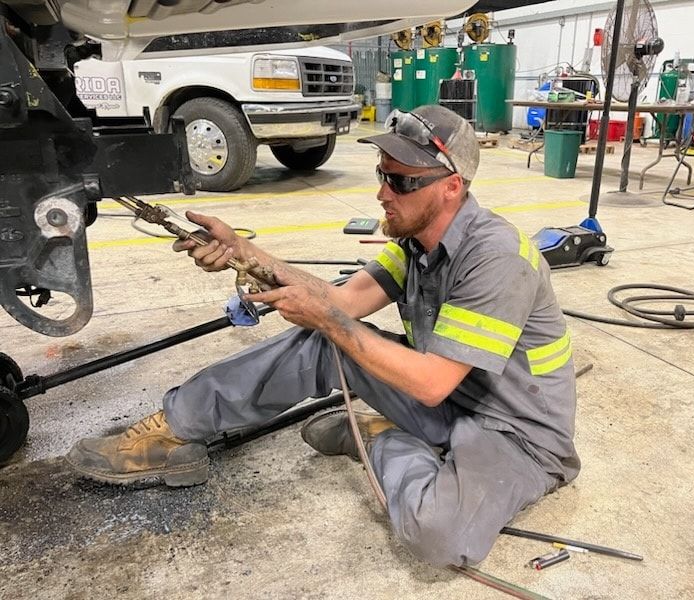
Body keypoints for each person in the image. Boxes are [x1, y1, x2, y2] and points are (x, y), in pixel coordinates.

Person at [66, 105, 579, 567]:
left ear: (452, 186)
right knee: (325, 338)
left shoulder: (494, 258)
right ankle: (176, 427)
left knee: (436, 536)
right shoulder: (416, 242)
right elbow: (343, 302)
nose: (382, 192)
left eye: (400, 182)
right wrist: (245, 253)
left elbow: (430, 383)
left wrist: (328, 319)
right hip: (450, 400)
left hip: (514, 432)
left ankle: (386, 441)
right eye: (383, 175)